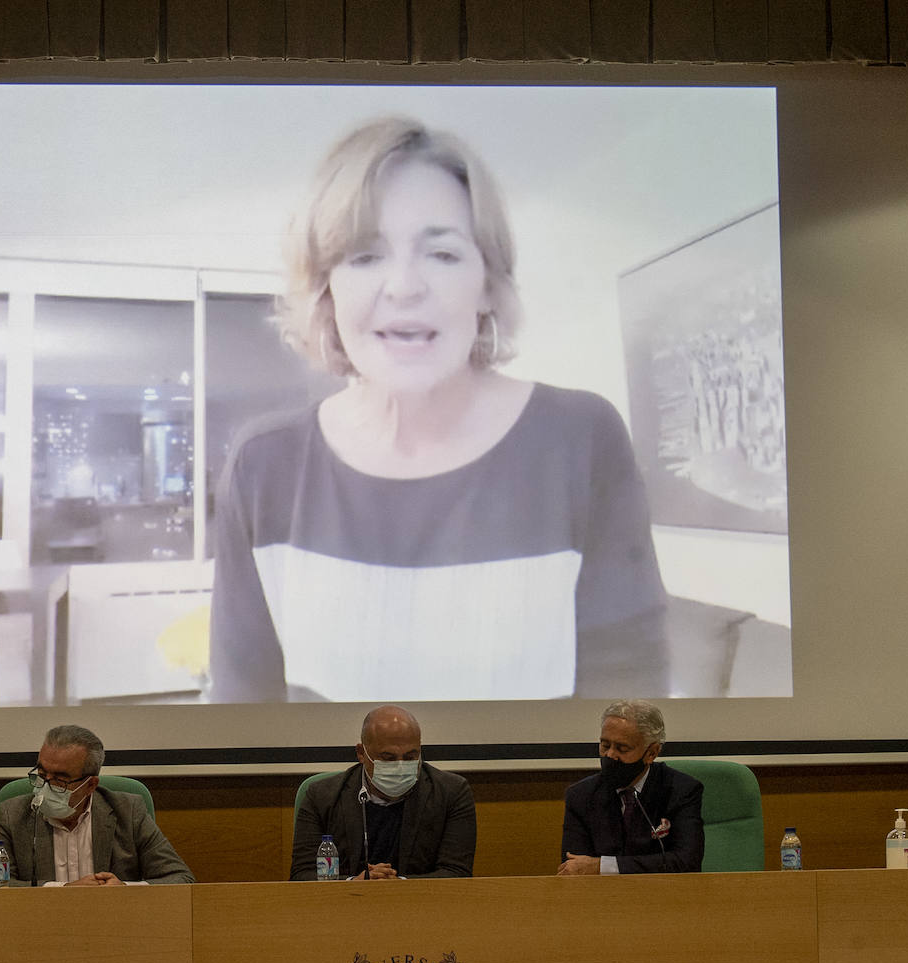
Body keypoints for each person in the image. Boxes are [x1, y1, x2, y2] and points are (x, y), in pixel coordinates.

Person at [209, 115, 668, 703]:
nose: (403, 286)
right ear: (327, 289)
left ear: (486, 285)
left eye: (443, 255)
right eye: (365, 256)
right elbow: (244, 717)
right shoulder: (264, 466)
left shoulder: (581, 440)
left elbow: (629, 711)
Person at [0, 725, 194, 886]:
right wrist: (62, 890)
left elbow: (181, 878)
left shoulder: (129, 811)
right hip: (39, 927)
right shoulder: (12, 815)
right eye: (42, 775)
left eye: (60, 780)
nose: (45, 786)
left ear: (91, 785)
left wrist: (125, 888)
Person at [291, 705, 475, 880]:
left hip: (421, 905)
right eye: (389, 758)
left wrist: (398, 884)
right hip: (344, 905)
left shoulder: (452, 793)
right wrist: (352, 882)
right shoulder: (321, 796)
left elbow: (457, 873)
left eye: (411, 757)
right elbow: (302, 875)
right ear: (361, 753)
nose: (400, 765)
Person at [558, 699, 703, 874]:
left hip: (665, 894)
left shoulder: (681, 790)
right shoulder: (581, 796)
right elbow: (575, 867)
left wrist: (602, 866)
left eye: (622, 748)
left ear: (651, 753)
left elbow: (686, 862)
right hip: (601, 898)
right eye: (605, 745)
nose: (610, 755)